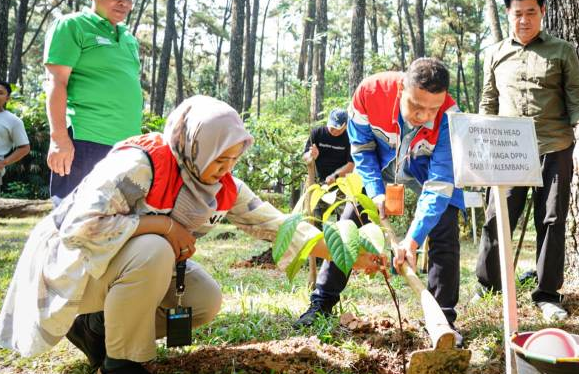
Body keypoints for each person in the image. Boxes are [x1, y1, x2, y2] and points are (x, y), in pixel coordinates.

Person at [0, 96, 380, 374]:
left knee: (203, 298)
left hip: (116, 272)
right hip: (71, 266)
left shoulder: (219, 184)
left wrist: (346, 255)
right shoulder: (140, 164)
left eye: (233, 159)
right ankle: (123, 362)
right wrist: (164, 225)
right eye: (219, 157)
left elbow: (278, 226)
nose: (225, 168)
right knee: (154, 249)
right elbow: (79, 228)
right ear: (195, 143)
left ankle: (96, 330)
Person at [295, 58, 465, 344]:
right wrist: (375, 190)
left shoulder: (450, 116)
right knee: (350, 222)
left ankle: (442, 321)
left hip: (424, 168)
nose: (423, 115)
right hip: (379, 164)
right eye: (416, 106)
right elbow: (361, 149)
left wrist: (413, 239)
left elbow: (439, 183)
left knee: (445, 225)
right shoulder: (369, 93)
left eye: (432, 109)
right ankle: (321, 301)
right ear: (401, 89)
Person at [474, 0, 579, 322]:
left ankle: (547, 294)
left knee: (552, 220)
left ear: (542, 11)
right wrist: (481, 143)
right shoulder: (495, 52)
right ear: (508, 16)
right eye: (517, 14)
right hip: (507, 149)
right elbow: (488, 102)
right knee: (497, 218)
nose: (524, 20)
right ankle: (489, 285)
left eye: (531, 12)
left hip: (554, 146)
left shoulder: (562, 51)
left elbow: (578, 99)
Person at [44, 0, 143, 205]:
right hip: (83, 141)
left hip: (126, 146)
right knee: (72, 222)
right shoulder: (72, 26)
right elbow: (56, 82)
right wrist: (58, 139)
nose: (124, 3)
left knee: (118, 224)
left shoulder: (128, 38)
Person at [303, 108, 355, 220]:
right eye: (331, 125)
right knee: (316, 219)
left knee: (344, 220)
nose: (332, 130)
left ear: (345, 126)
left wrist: (335, 176)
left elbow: (351, 165)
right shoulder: (317, 133)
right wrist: (311, 155)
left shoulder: (349, 138)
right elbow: (305, 157)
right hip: (318, 184)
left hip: (341, 185)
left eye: (337, 128)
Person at [0, 80, 30, 189]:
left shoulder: (13, 121)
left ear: (7, 98)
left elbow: (24, 148)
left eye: (0, 93)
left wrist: (4, 163)